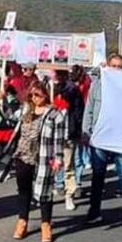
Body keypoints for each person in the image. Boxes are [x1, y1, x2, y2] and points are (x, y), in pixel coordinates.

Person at [82, 53, 122, 230]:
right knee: (98, 175)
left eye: (120, 66)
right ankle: (94, 211)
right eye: (113, 65)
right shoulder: (97, 85)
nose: (116, 69)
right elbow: (89, 108)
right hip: (100, 137)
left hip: (121, 138)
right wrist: (86, 132)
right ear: (107, 66)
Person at [11, 81, 66, 242]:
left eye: (38, 94)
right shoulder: (26, 111)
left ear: (45, 94)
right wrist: (1, 102)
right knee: (23, 190)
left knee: (44, 192)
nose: (35, 98)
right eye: (32, 95)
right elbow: (9, 117)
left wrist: (58, 158)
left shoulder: (55, 115)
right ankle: (22, 221)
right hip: (23, 155)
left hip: (44, 156)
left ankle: (45, 224)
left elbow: (59, 139)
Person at [52, 69, 85, 210]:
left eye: (62, 73)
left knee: (68, 165)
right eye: (57, 73)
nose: (58, 76)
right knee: (49, 165)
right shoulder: (46, 87)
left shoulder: (72, 90)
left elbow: (79, 112)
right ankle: (47, 191)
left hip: (66, 133)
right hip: (50, 134)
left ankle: (69, 195)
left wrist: (77, 131)